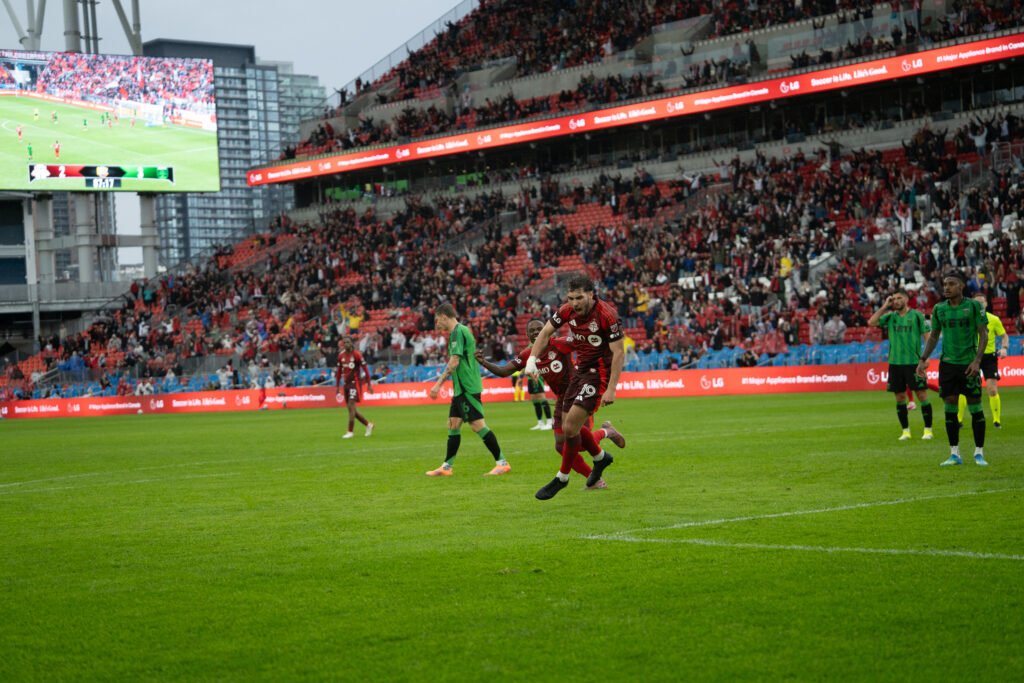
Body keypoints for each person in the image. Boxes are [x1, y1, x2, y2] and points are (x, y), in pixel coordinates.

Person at [476, 319, 626, 489]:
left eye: (539, 329)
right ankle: (595, 479)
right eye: (531, 330)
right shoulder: (528, 355)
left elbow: (585, 345)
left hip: (578, 393)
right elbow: (505, 371)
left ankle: (606, 433)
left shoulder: (560, 344)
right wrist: (484, 363)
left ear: (548, 330)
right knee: (561, 445)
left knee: (577, 443)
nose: (536, 332)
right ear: (526, 335)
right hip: (561, 398)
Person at [526, 273, 625, 500]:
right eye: (570, 298)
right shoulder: (566, 311)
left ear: (591, 294)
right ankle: (601, 456)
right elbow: (545, 333)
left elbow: (618, 352)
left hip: (599, 374)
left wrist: (611, 388)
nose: (574, 303)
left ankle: (562, 477)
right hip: (580, 371)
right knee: (568, 429)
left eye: (579, 298)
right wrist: (531, 360)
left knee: (570, 428)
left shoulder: (606, 315)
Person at [426, 303, 510, 476]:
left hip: (467, 387)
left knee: (477, 425)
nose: (436, 325)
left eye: (437, 320)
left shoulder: (458, 332)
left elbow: (454, 361)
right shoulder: (460, 331)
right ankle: (446, 467)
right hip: (460, 388)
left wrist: (438, 384)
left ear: (443, 316)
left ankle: (502, 462)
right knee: (453, 424)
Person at [916, 272, 988, 466]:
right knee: (950, 406)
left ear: (961, 286)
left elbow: (984, 334)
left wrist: (977, 360)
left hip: (969, 364)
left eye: (951, 284)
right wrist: (923, 359)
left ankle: (979, 452)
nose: (946, 287)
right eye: (945, 284)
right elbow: (933, 336)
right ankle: (954, 453)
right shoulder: (939, 309)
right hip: (947, 365)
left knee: (975, 407)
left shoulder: (974, 306)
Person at [868, 288, 934, 441]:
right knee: (899, 397)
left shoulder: (917, 316)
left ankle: (928, 429)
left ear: (906, 299)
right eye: (894, 299)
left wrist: (926, 357)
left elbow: (928, 337)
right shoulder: (890, 316)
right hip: (895, 363)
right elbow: (872, 322)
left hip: (914, 363)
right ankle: (905, 431)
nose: (896, 301)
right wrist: (885, 306)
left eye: (899, 298)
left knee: (922, 395)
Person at [957, 293, 1009, 428]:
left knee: (992, 389)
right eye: (977, 302)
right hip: (971, 356)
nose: (979, 304)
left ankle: (996, 421)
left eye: (982, 302)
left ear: (986, 304)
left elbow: (1004, 336)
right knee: (964, 389)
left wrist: (1004, 348)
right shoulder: (967, 319)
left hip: (988, 358)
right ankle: (959, 420)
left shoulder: (994, 319)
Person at [335, 337, 374, 438]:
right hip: (346, 384)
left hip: (355, 383)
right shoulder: (341, 356)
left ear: (351, 343)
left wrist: (369, 384)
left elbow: (365, 370)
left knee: (351, 405)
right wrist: (337, 386)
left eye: (348, 342)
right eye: (344, 343)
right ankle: (368, 425)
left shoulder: (357, 355)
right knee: (352, 410)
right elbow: (339, 372)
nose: (346, 344)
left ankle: (350, 432)